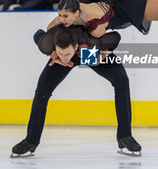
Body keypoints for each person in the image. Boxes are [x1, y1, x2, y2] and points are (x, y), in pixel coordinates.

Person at [11, 25, 142, 158]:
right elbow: (38, 33)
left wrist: (104, 53)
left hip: (88, 52)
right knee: (41, 92)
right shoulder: (50, 46)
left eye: (67, 54)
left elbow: (116, 37)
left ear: (75, 47)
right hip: (65, 50)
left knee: (122, 81)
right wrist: (54, 54)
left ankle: (125, 136)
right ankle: (31, 141)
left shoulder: (90, 42)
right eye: (61, 53)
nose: (64, 58)